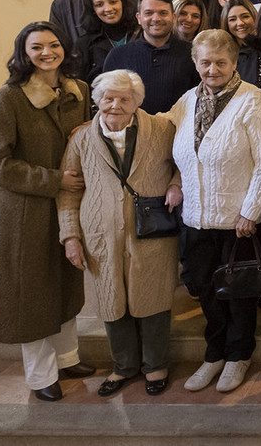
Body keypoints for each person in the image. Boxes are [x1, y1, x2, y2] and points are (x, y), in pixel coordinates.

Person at [0, 21, 94, 401]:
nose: (47, 53)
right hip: (23, 211)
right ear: (23, 53)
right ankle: (41, 375)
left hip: (65, 204)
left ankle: (67, 358)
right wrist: (54, 180)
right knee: (32, 292)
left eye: (54, 45)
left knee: (64, 283)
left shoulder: (79, 91)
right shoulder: (8, 98)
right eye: (37, 47)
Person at [167, 29, 261, 394]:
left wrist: (251, 211)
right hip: (195, 217)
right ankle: (214, 353)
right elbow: (165, 136)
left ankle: (238, 355)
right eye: (205, 62)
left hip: (237, 220)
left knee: (238, 293)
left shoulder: (253, 101)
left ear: (233, 62)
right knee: (204, 290)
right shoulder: (186, 101)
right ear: (195, 63)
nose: (212, 69)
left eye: (220, 62)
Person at [57, 70, 181, 397]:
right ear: (97, 100)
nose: (115, 105)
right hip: (100, 233)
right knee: (110, 298)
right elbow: (68, 191)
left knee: (153, 297)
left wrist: (175, 184)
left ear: (137, 101)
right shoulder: (81, 138)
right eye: (108, 98)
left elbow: (185, 163)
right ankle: (123, 366)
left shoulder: (161, 129)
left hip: (153, 229)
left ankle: (155, 364)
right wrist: (70, 237)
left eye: (124, 99)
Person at [103, 0, 199, 115]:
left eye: (163, 13)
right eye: (148, 13)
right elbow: (106, 101)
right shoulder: (118, 56)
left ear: (173, 17)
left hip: (180, 125)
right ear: (139, 18)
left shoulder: (193, 53)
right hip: (132, 126)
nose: (156, 19)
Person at [75, 0, 135, 88]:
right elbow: (81, 85)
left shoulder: (142, 34)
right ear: (93, 10)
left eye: (113, 2)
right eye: (99, 5)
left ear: (122, 3)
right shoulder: (84, 43)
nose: (108, 9)